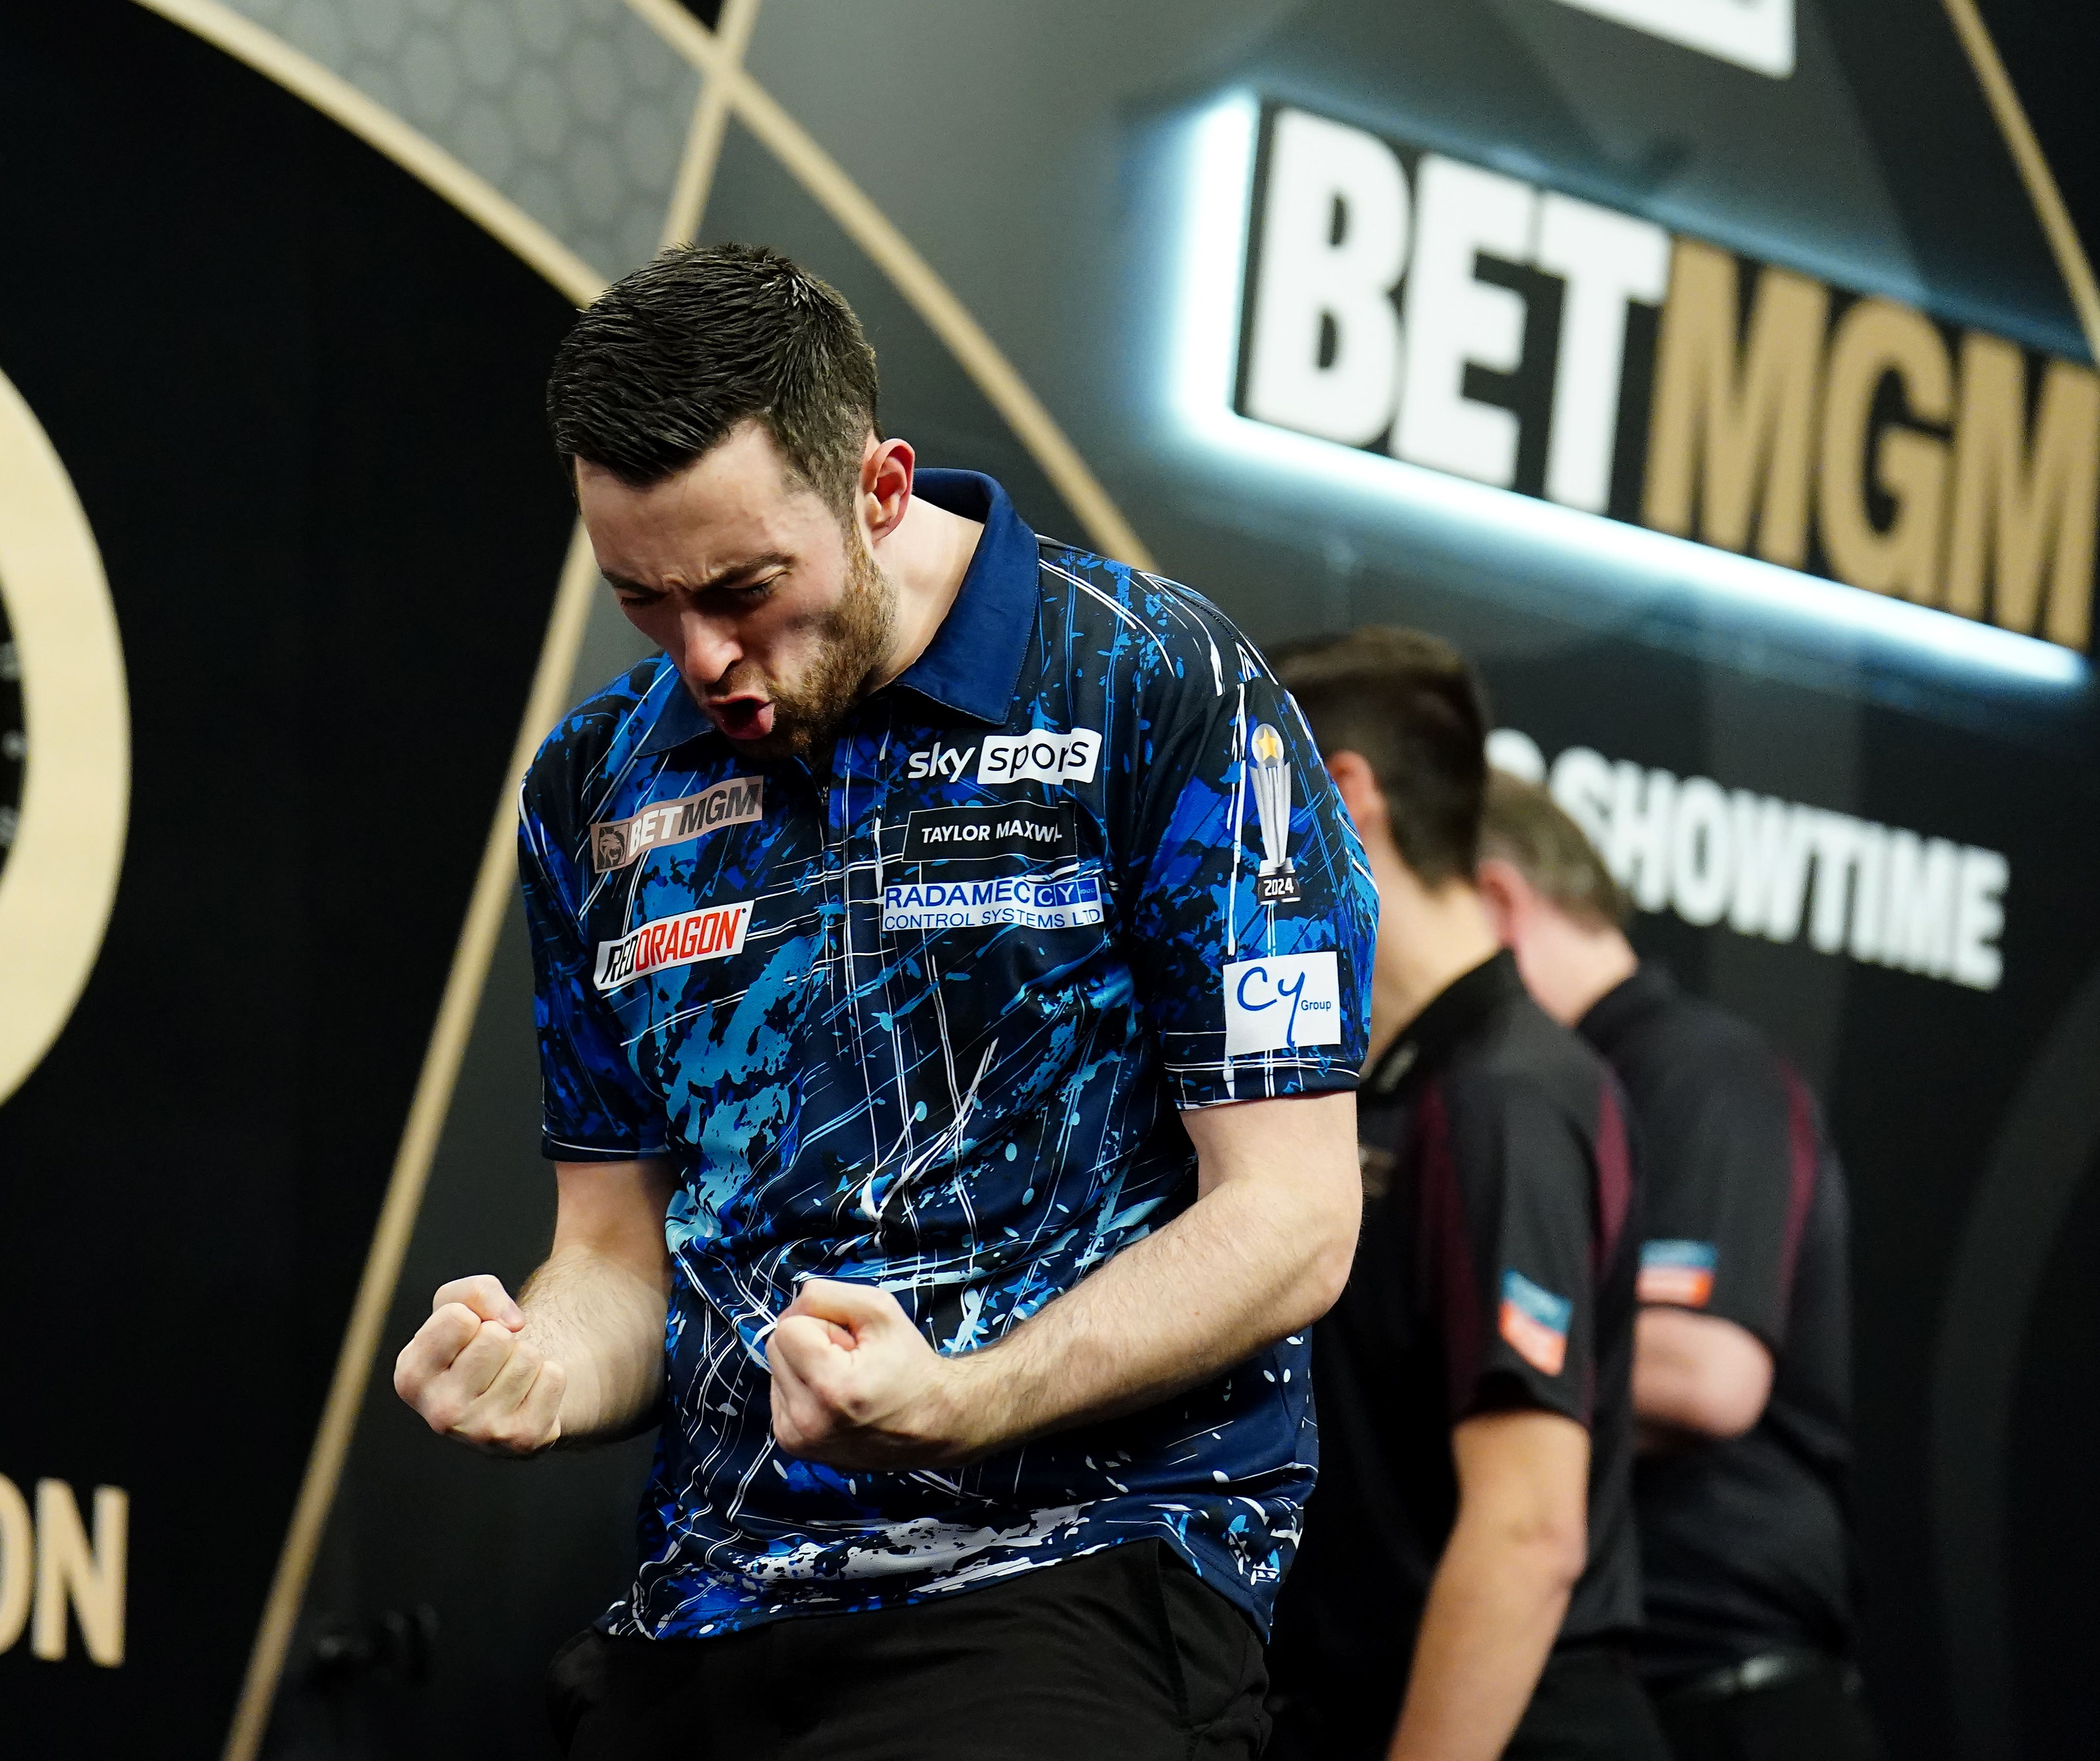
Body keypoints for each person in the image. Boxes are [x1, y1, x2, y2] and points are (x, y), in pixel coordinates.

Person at [392, 243, 1373, 1760]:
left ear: (880, 486)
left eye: (743, 588)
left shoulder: (1148, 683)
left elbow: (1296, 1218)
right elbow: (613, 1260)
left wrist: (968, 1393)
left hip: (1076, 1565)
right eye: (644, 602)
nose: (704, 655)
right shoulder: (595, 787)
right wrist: (539, 1359)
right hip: (712, 1601)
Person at [1264, 630, 1664, 1761]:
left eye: (1227, 784)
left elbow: (1530, 1526)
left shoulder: (1505, 1094)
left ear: (1340, 791)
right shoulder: (1377, 1083)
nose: (1197, 843)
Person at [1476, 771, 1878, 1760]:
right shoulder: (1527, 1093)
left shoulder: (1690, 1067)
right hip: (1591, 1669)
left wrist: (1444, 1379)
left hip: (1717, 1689)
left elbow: (1702, 1370)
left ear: (1492, 901)